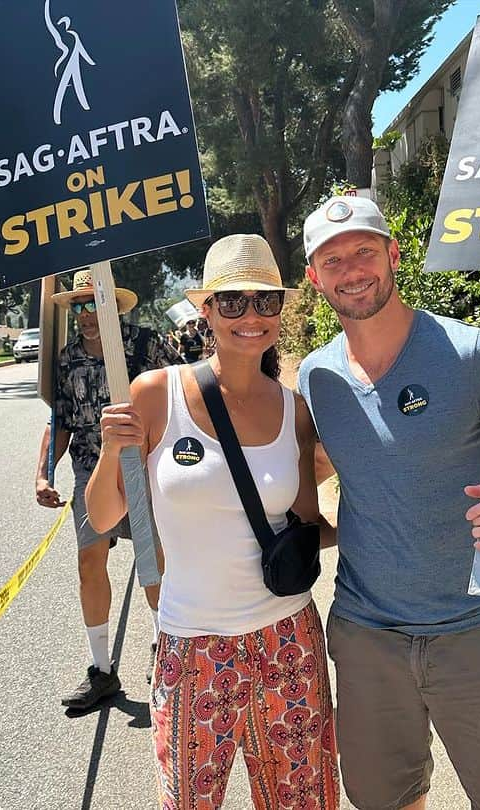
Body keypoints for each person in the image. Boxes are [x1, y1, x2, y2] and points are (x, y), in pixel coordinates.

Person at [297, 196, 480, 810]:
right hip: (366, 636)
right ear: (313, 277)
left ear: (393, 254)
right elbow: (333, 474)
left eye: (363, 250)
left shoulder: (473, 356)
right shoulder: (315, 379)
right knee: (385, 799)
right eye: (332, 259)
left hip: (475, 632)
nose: (351, 269)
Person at [86, 234, 340, 809]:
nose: (250, 316)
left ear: (281, 309)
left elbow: (304, 528)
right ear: (206, 309)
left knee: (302, 800)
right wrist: (111, 450)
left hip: (287, 641)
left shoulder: (294, 410)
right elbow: (103, 515)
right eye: (232, 302)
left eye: (265, 302)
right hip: (193, 646)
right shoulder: (156, 396)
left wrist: (373, 512)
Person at [34, 268, 180, 712]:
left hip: (141, 470)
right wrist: (43, 473)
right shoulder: (67, 359)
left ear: (113, 306)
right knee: (89, 561)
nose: (84, 314)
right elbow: (60, 422)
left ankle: (166, 653)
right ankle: (101, 670)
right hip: (90, 471)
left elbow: (185, 393)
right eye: (78, 305)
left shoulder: (145, 345)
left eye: (93, 303)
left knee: (151, 564)